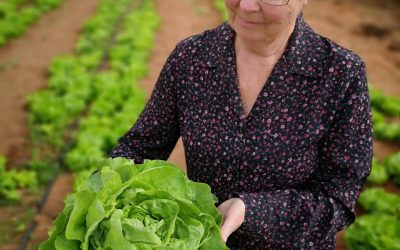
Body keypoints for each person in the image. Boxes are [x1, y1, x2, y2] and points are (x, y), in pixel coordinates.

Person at [109, 0, 373, 249]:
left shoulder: (341, 74)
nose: (246, 5)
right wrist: (101, 197)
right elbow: (139, 149)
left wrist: (251, 210)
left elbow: (337, 199)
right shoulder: (191, 58)